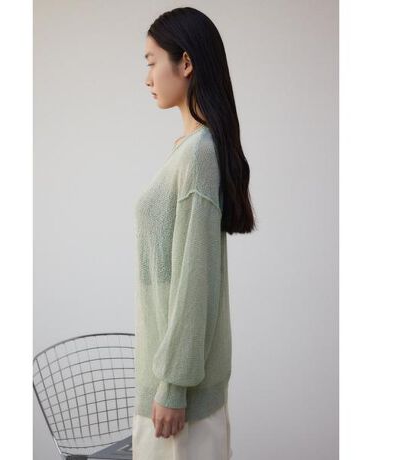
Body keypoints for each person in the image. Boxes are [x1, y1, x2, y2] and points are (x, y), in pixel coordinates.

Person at [133, 7, 256, 459]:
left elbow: (194, 280)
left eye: (152, 61)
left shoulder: (199, 155)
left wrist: (173, 386)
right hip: (166, 388)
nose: (147, 78)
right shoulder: (188, 150)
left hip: (178, 399)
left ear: (185, 63)